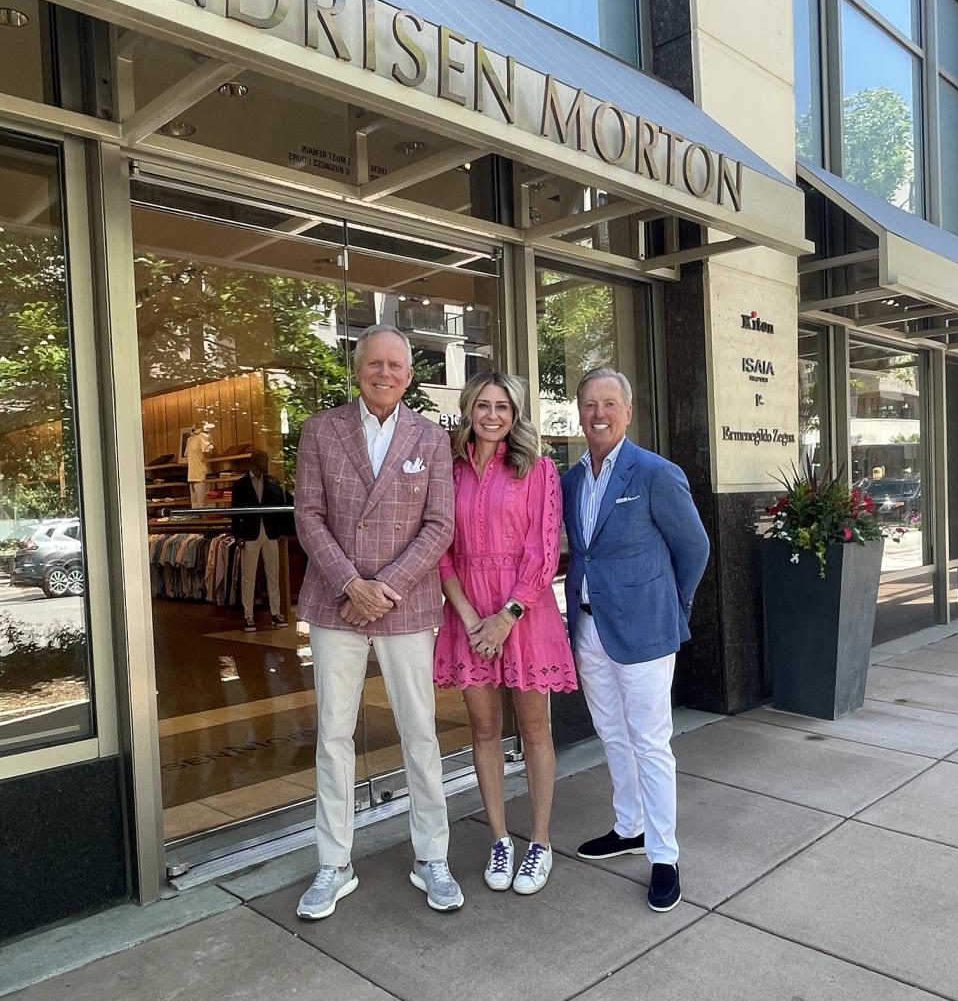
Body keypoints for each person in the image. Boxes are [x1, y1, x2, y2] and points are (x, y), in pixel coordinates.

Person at [294, 326, 461, 920]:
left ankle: (431, 856)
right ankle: (333, 864)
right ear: (357, 369)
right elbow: (308, 515)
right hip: (335, 602)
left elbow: (440, 525)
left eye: (395, 365)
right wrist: (350, 584)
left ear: (409, 376)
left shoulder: (431, 437)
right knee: (334, 735)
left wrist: (383, 588)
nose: (384, 373)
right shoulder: (320, 430)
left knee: (420, 732)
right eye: (374, 363)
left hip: (405, 604)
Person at [562, 368, 709, 913]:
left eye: (609, 404)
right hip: (587, 627)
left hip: (646, 629)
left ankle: (664, 854)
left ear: (627, 412)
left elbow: (694, 549)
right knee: (611, 732)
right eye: (589, 405)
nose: (598, 414)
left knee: (650, 739)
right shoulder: (571, 479)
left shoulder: (654, 473)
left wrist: (675, 607)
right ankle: (628, 826)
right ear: (578, 413)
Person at [434, 373, 576, 896]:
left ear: (515, 415)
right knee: (484, 728)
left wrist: (506, 616)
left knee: (535, 729)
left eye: (503, 407)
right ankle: (500, 836)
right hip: (466, 614)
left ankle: (539, 840)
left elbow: (544, 551)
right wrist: (473, 620)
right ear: (469, 408)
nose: (492, 415)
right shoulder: (447, 470)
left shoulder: (538, 468)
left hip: (525, 612)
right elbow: (441, 553)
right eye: (483, 405)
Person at [230, 450, 289, 631]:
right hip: (250, 533)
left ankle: (276, 612)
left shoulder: (272, 483)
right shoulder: (240, 485)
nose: (266, 463)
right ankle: (248, 615)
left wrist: (281, 531)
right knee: (248, 575)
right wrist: (238, 535)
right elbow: (234, 513)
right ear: (254, 462)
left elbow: (280, 507)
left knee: (273, 573)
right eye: (263, 460)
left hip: (270, 532)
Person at [185, 423, 213, 508]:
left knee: (203, 504)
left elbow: (207, 453)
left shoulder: (203, 436)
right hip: (191, 474)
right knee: (194, 504)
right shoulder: (189, 439)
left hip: (201, 473)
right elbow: (186, 454)